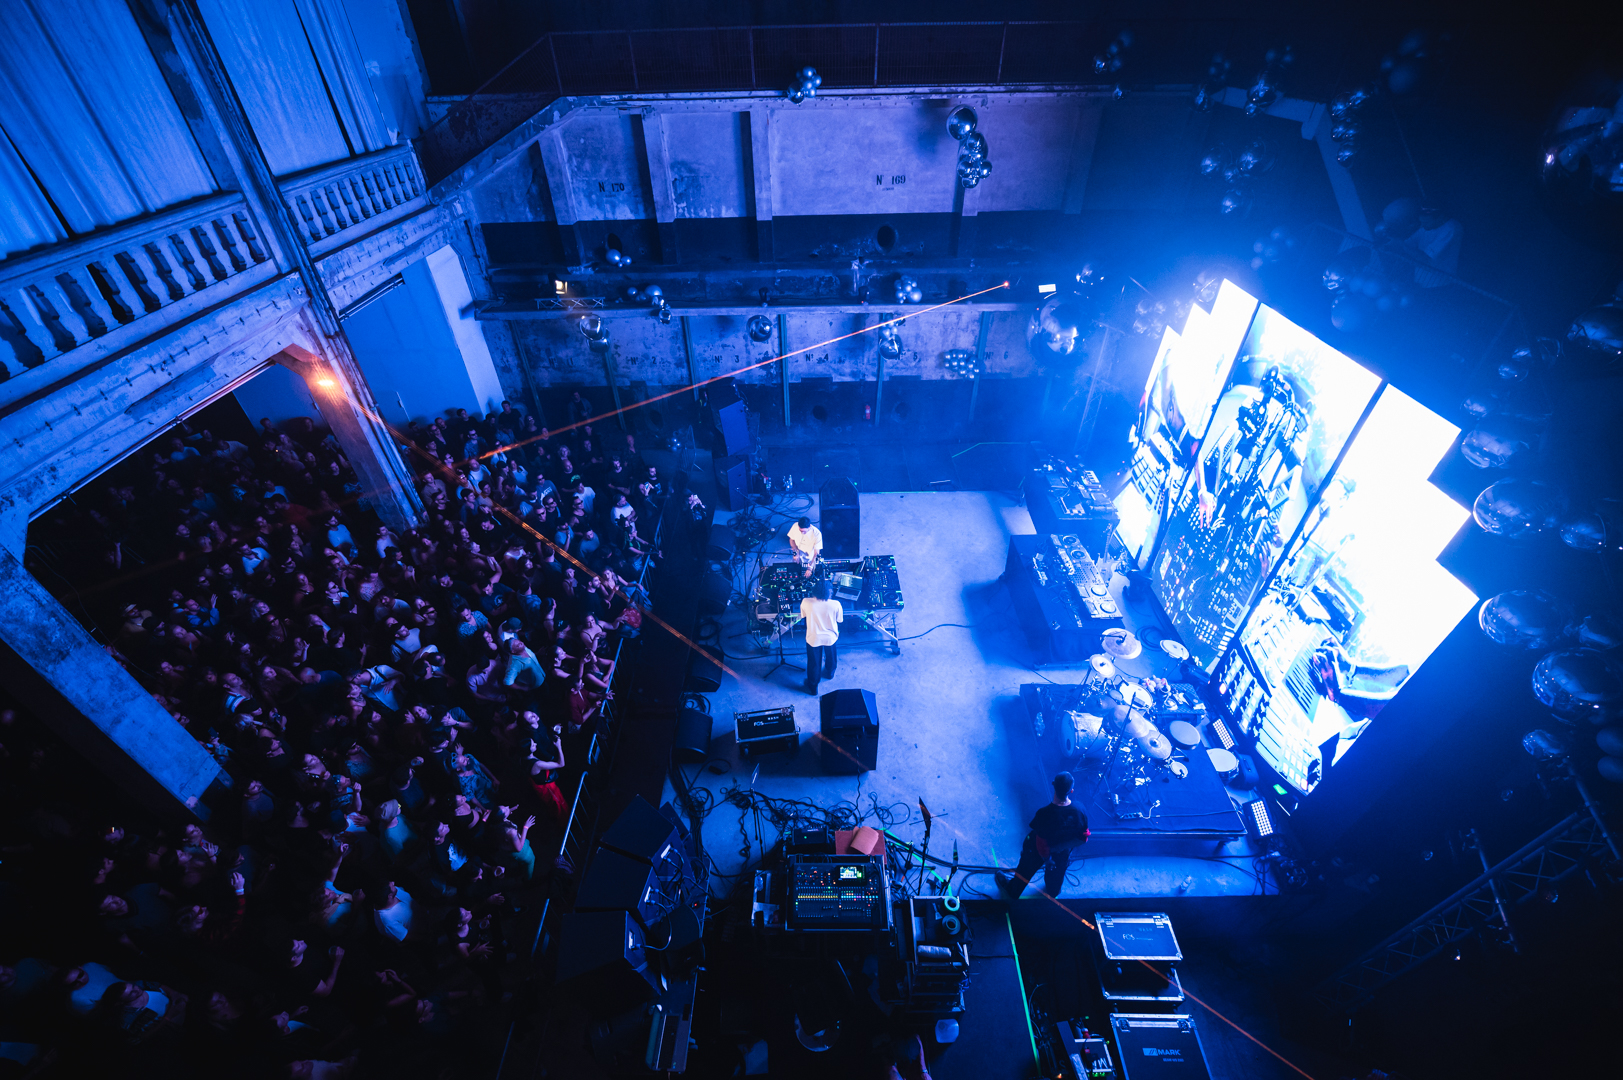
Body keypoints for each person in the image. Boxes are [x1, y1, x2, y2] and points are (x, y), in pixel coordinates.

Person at [999, 772, 1090, 899]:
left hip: (1037, 852)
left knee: (1024, 873)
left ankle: (1012, 891)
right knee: (1056, 878)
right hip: (1062, 853)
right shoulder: (1080, 810)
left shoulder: (1044, 814)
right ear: (1072, 790)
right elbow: (1083, 838)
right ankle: (1052, 892)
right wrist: (1059, 848)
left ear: (1053, 785)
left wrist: (1048, 860)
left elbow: (1041, 843)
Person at [799, 579, 842, 695]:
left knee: (814, 663)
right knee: (831, 657)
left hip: (814, 638)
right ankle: (830, 673)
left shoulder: (806, 602)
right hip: (830, 637)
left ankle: (813, 687)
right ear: (830, 592)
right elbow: (839, 620)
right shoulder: (836, 604)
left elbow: (803, 616)